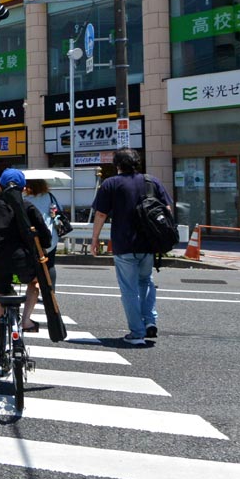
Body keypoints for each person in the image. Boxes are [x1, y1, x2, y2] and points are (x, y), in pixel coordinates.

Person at [0, 169, 50, 379]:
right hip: (24, 265)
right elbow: (47, 239)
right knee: (35, 282)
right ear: (23, 189)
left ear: (0, 187)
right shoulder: (27, 206)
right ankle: (26, 320)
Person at [90, 148, 173, 346]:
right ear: (137, 162)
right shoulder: (151, 181)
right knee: (146, 281)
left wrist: (94, 239)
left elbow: (100, 214)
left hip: (124, 243)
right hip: (150, 243)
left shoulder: (111, 184)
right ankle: (150, 320)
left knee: (129, 289)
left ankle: (137, 332)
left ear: (117, 165)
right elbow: (167, 210)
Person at [22, 178, 60, 330]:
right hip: (50, 240)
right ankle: (50, 293)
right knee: (49, 266)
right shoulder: (50, 197)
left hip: (30, 242)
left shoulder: (24, 199)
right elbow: (56, 213)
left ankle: (34, 287)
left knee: (33, 278)